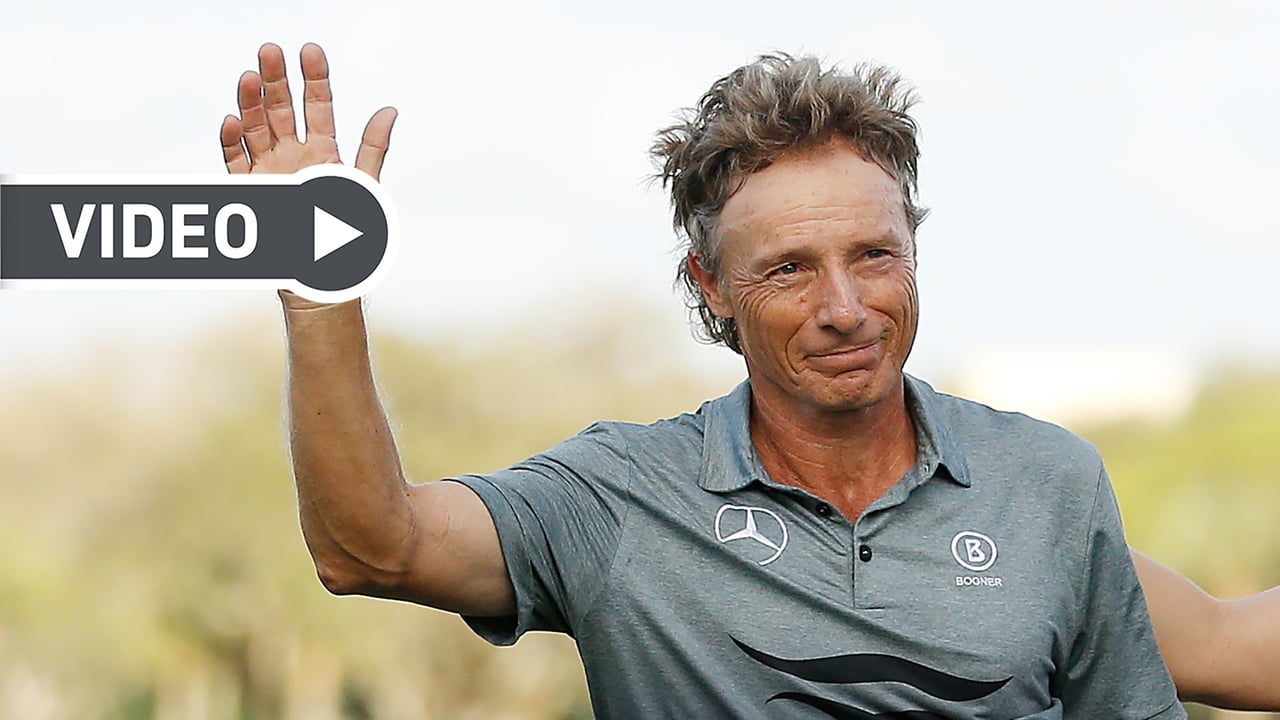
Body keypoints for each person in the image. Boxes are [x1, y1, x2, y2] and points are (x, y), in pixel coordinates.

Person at [217, 42, 1269, 716]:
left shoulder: (1045, 483)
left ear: (914, 247)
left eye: (872, 254)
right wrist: (321, 295)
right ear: (710, 285)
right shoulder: (618, 499)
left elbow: (1220, 647)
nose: (845, 307)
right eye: (788, 270)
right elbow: (371, 545)